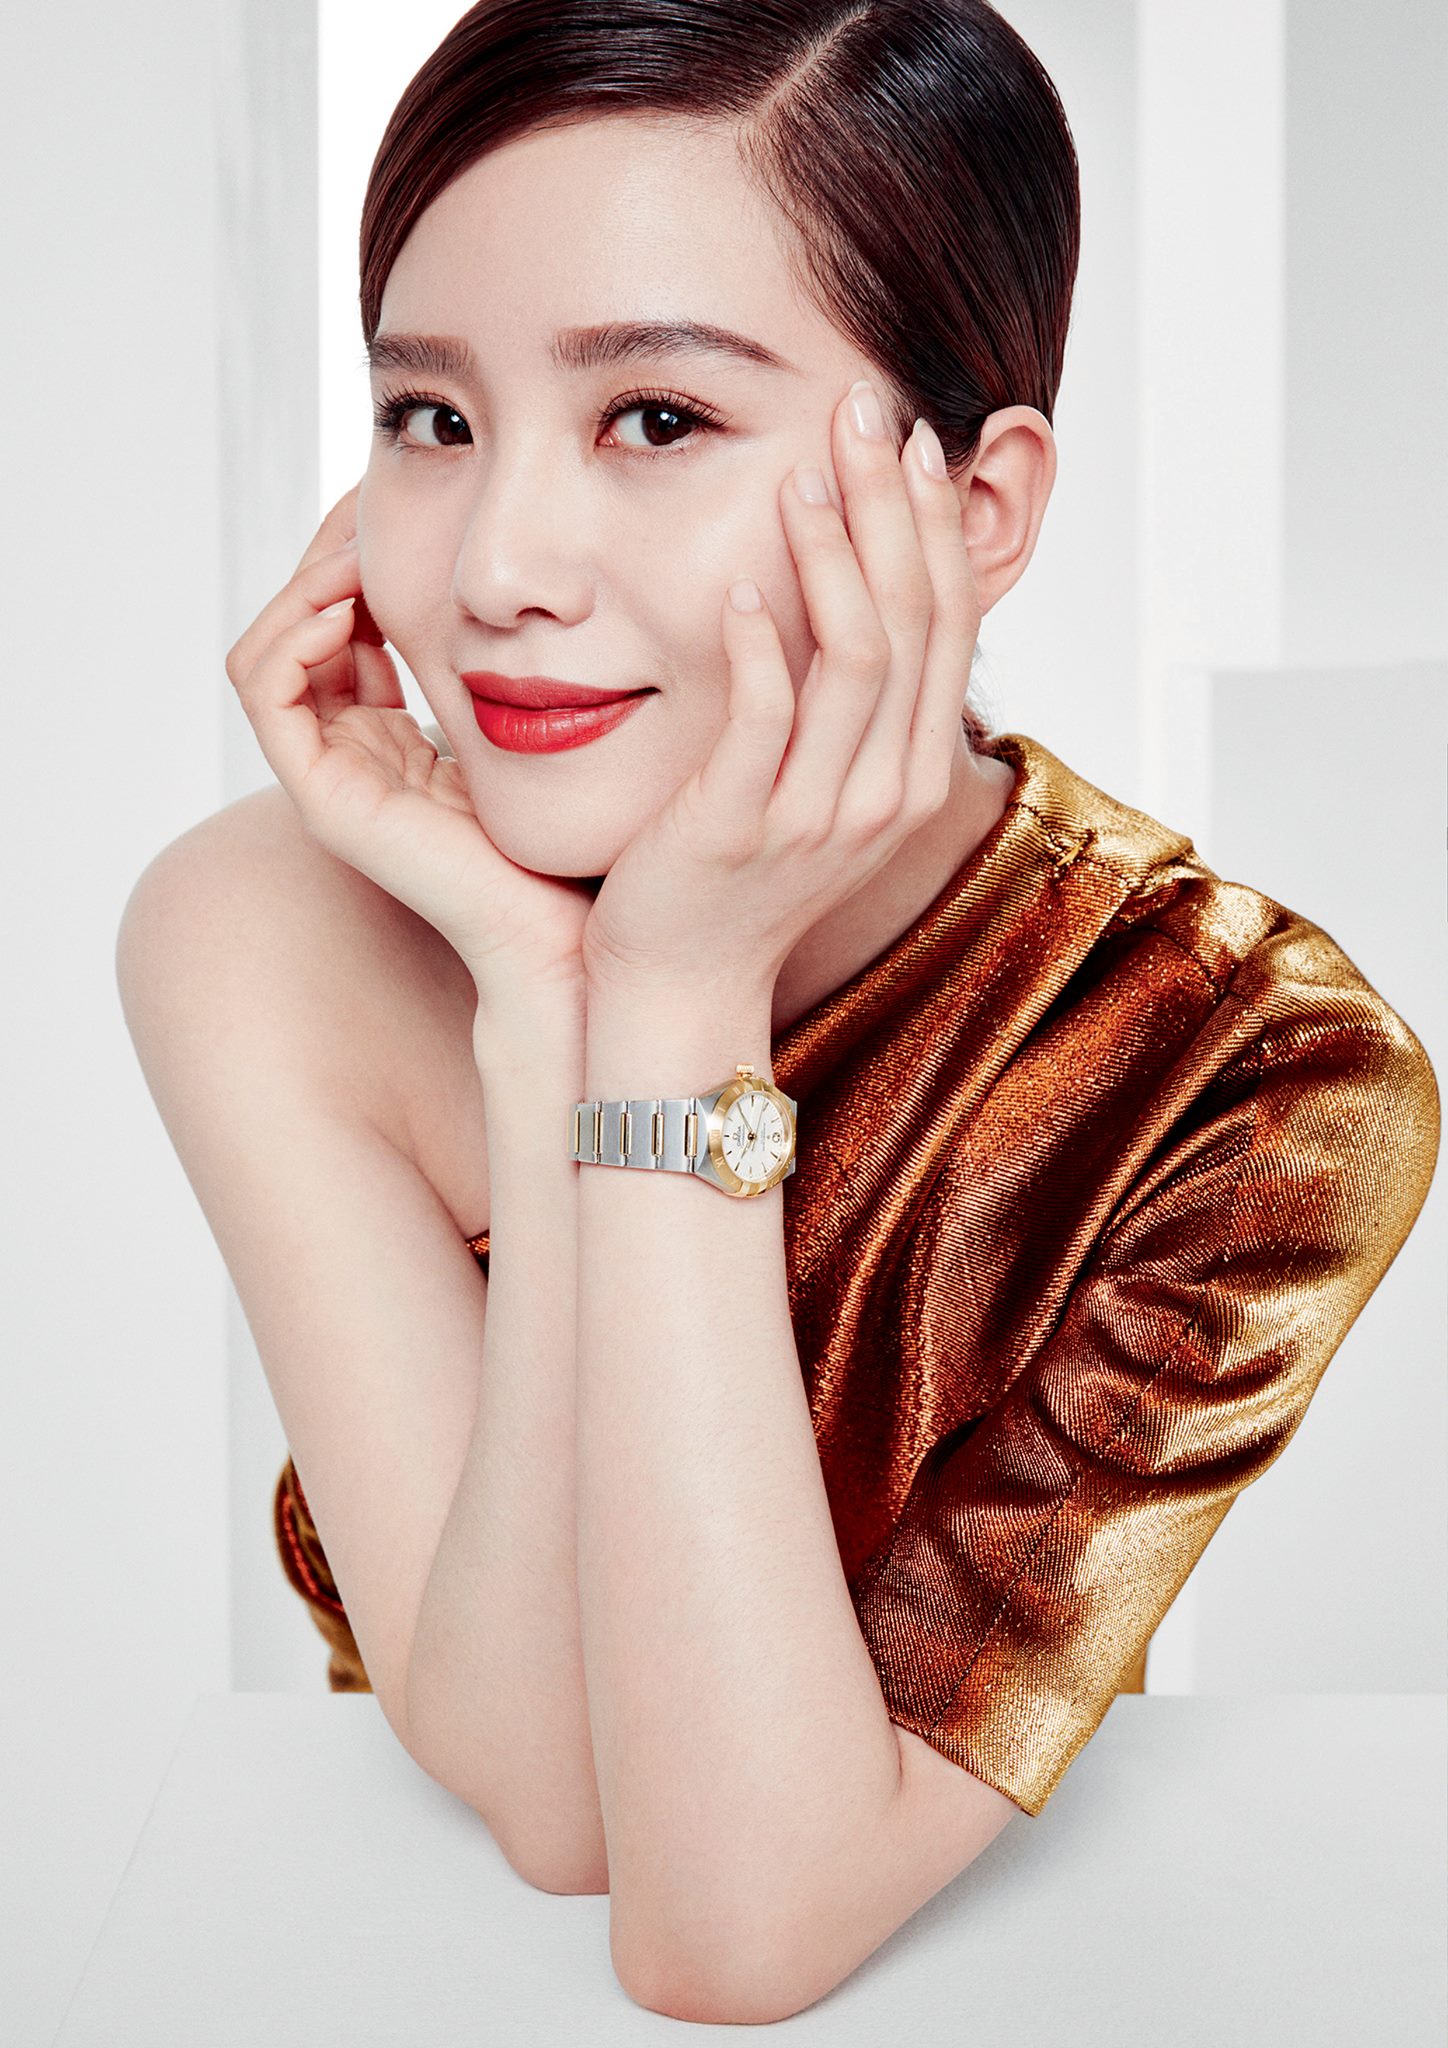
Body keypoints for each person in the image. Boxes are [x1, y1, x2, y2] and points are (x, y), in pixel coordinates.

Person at [116, 0, 1439, 2024]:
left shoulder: (1251, 1082)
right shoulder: (269, 931)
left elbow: (728, 1928)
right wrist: (552, 1004)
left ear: (974, 508)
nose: (497, 566)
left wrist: (679, 999)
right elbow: (554, 1803)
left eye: (656, 419)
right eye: (428, 417)